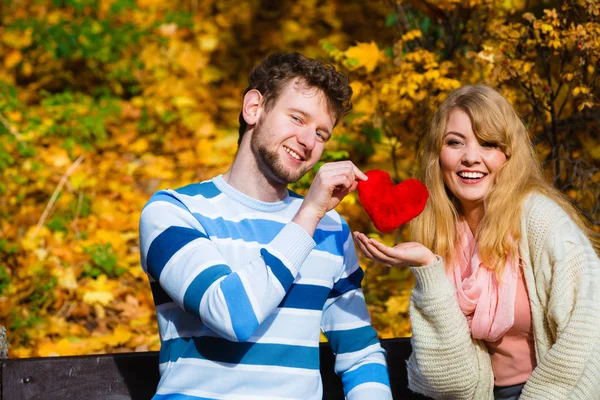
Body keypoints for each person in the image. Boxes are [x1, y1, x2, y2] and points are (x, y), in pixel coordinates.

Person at [139, 52, 392, 400]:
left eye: (321, 134)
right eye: (297, 118)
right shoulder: (175, 212)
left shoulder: (331, 229)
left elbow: (360, 354)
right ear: (253, 108)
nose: (308, 141)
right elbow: (230, 315)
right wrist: (308, 215)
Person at [353, 84, 600, 400]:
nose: (471, 157)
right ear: (437, 154)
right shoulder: (440, 230)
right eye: (455, 142)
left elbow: (588, 334)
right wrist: (428, 269)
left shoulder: (541, 221)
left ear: (508, 154)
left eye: (488, 144)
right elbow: (449, 382)